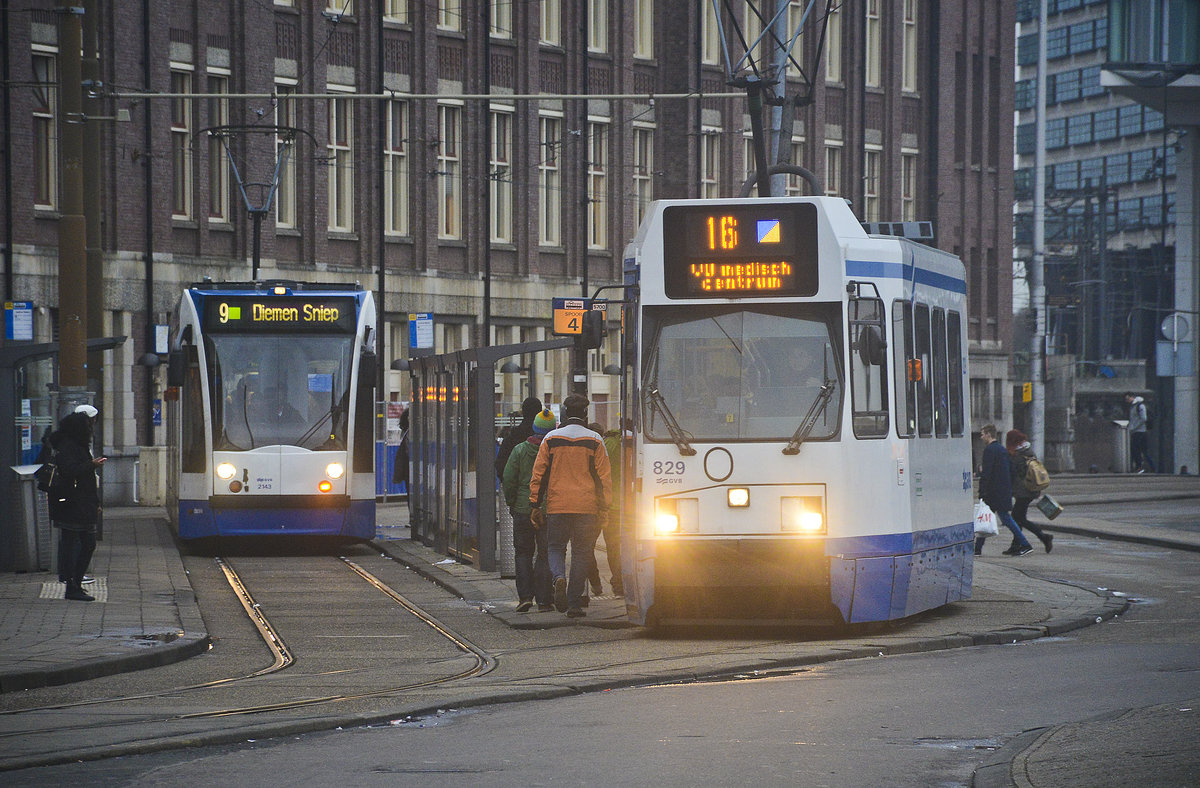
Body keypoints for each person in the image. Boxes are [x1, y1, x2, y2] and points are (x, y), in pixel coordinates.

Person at [529, 394, 613, 618]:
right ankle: (574, 603)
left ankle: (558, 578)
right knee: (582, 552)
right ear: (585, 414)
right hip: (586, 507)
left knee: (555, 547)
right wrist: (605, 507)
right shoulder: (595, 439)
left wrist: (535, 504)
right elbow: (604, 478)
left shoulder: (551, 438)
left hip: (558, 505)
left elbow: (539, 474)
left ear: (565, 413)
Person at [48, 404, 106, 601]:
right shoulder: (68, 445)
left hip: (83, 502)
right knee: (73, 543)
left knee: (87, 543)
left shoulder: (78, 444)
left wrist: (96, 502)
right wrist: (91, 464)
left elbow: (87, 479)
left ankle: (75, 583)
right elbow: (70, 471)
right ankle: (71, 585)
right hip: (72, 502)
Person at [503, 408, 556, 612]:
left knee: (523, 553)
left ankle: (525, 597)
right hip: (547, 509)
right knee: (545, 553)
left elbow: (509, 479)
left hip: (523, 509)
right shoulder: (553, 451)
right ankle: (544, 600)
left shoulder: (519, 450)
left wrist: (512, 502)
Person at [977, 424, 1033, 557]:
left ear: (989, 435)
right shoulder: (1003, 450)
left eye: (983, 434)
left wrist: (982, 491)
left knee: (990, 519)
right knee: (989, 519)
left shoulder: (989, 450)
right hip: (1002, 491)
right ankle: (977, 548)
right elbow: (1012, 472)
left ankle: (1025, 544)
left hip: (992, 492)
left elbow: (987, 473)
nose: (981, 436)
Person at [1005, 429, 1053, 555]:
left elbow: (1015, 473)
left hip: (1024, 492)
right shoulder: (1028, 451)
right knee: (1018, 518)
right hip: (1029, 491)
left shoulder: (1019, 455)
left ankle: (1043, 537)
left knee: (1018, 518)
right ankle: (1016, 545)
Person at [495, 397, 542, 480]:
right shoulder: (546, 439)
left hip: (517, 488)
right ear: (540, 413)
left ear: (523, 412)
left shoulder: (512, 437)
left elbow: (500, 466)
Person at [1125, 392, 1155, 474]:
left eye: (1128, 398)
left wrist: (1134, 427)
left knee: (1137, 450)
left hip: (1140, 432)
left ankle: (1143, 467)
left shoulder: (1140, 406)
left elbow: (1143, 418)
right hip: (1137, 431)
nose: (1127, 400)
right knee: (1140, 450)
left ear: (1132, 397)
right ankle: (1148, 467)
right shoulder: (1133, 407)